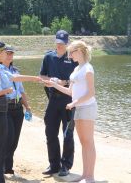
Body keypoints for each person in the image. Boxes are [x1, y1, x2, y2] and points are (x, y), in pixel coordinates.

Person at [0, 41, 40, 183]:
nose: (6, 54)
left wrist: (34, 79)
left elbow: (15, 78)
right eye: (4, 52)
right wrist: (8, 90)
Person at [44, 40, 97, 183]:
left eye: (71, 52)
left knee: (88, 142)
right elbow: (70, 91)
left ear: (79, 51)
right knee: (83, 142)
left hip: (86, 107)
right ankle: (85, 175)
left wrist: (75, 102)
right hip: (78, 108)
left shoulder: (88, 68)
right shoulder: (77, 69)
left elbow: (91, 93)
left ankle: (90, 176)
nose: (69, 56)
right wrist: (54, 84)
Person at [39, 30, 78, 176]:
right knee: (50, 132)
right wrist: (49, 80)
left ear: (67, 43)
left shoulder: (72, 58)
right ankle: (53, 164)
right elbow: (41, 75)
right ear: (55, 42)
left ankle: (66, 165)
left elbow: (78, 80)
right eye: (58, 43)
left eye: (62, 43)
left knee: (67, 133)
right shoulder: (48, 57)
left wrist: (64, 82)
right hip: (53, 100)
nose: (60, 45)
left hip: (69, 100)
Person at [1, 45, 32, 179]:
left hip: (17, 108)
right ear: (2, 55)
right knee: (8, 137)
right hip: (5, 107)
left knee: (15, 140)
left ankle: (8, 168)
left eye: (11, 53)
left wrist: (28, 107)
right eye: (7, 53)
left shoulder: (16, 71)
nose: (10, 56)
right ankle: (1, 167)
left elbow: (21, 91)